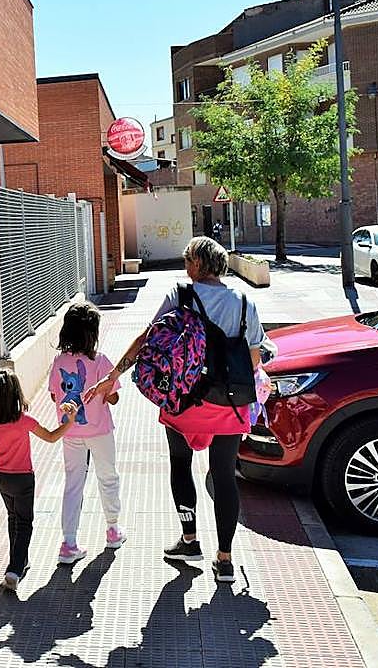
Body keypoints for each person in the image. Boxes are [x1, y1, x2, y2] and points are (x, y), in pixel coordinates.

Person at [102, 236, 266, 584]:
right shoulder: (244, 303)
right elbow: (254, 356)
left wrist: (115, 373)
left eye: (187, 258)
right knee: (224, 477)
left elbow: (149, 339)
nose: (184, 265)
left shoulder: (180, 295)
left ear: (197, 264)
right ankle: (225, 559)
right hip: (229, 406)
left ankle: (189, 539)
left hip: (182, 403)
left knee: (181, 465)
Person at [0, 368, 77, 591]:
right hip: (23, 479)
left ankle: (20, 561)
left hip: (2, 478)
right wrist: (69, 423)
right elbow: (51, 437)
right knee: (24, 522)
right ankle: (14, 569)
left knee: (13, 518)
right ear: (15, 394)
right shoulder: (23, 421)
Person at [48, 303, 126, 566]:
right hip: (100, 431)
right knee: (108, 476)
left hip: (70, 432)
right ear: (92, 332)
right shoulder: (100, 361)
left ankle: (68, 543)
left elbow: (52, 395)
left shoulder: (59, 362)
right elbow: (113, 397)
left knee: (73, 484)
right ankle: (113, 530)